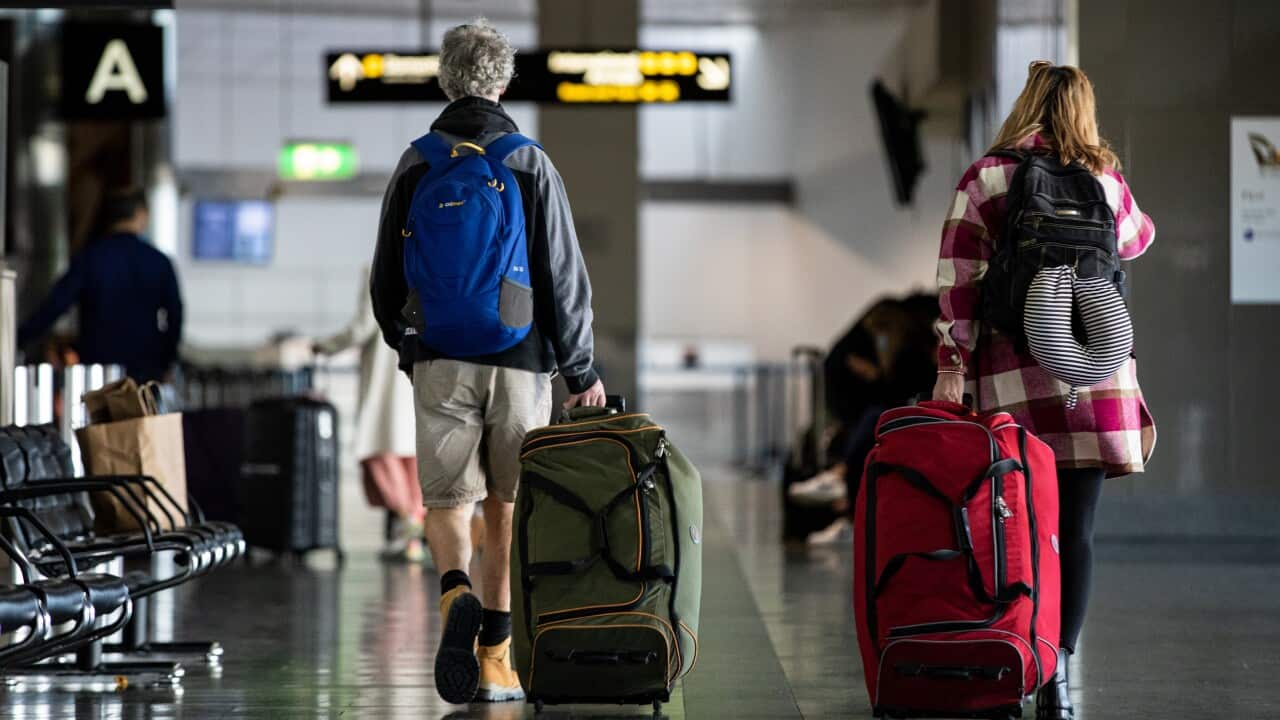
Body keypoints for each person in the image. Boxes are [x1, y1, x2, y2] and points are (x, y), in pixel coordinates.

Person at [370, 18, 605, 705]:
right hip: (520, 355)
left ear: (446, 80)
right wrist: (581, 368)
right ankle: (496, 661)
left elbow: (386, 275)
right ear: (503, 82)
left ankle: (453, 596)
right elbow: (563, 274)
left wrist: (408, 344)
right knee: (504, 505)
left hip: (439, 353)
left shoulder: (416, 162)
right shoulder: (528, 160)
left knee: (446, 499)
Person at [932, 61, 1156, 720]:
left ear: (1025, 104)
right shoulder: (1104, 181)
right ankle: (1058, 680)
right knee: (1077, 534)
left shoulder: (988, 178)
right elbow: (1139, 239)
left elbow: (959, 277)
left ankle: (1018, 661)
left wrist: (951, 363)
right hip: (1097, 379)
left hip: (1014, 378)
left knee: (1022, 529)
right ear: (1083, 111)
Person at [314, 267, 426, 563]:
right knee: (409, 456)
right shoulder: (425, 260)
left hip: (385, 376)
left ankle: (408, 520)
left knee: (377, 450)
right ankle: (412, 534)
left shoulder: (377, 267)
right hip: (417, 369)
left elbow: (364, 325)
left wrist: (325, 346)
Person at [18, 187, 183, 383]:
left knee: (98, 415)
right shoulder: (159, 262)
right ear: (141, 214)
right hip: (145, 370)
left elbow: (55, 305)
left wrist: (18, 337)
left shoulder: (90, 258)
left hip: (98, 373)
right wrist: (166, 360)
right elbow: (175, 314)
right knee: (145, 415)